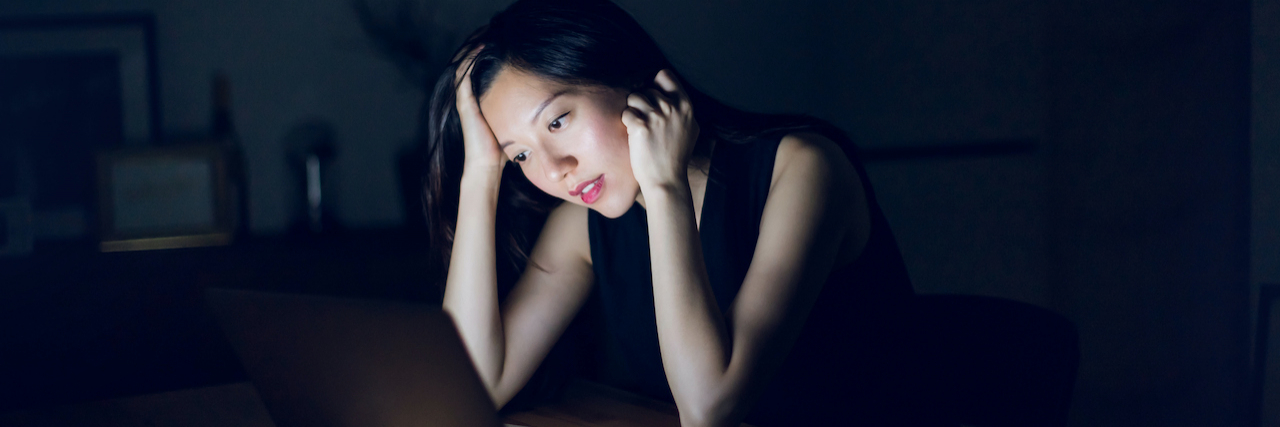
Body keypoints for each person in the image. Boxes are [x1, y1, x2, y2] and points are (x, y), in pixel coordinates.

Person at [418, 0, 919, 425]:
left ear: (627, 76)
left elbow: (710, 407)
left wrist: (664, 186)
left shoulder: (805, 170)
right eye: (520, 155)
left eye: (559, 120)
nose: (555, 170)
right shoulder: (579, 226)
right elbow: (472, 388)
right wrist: (481, 171)